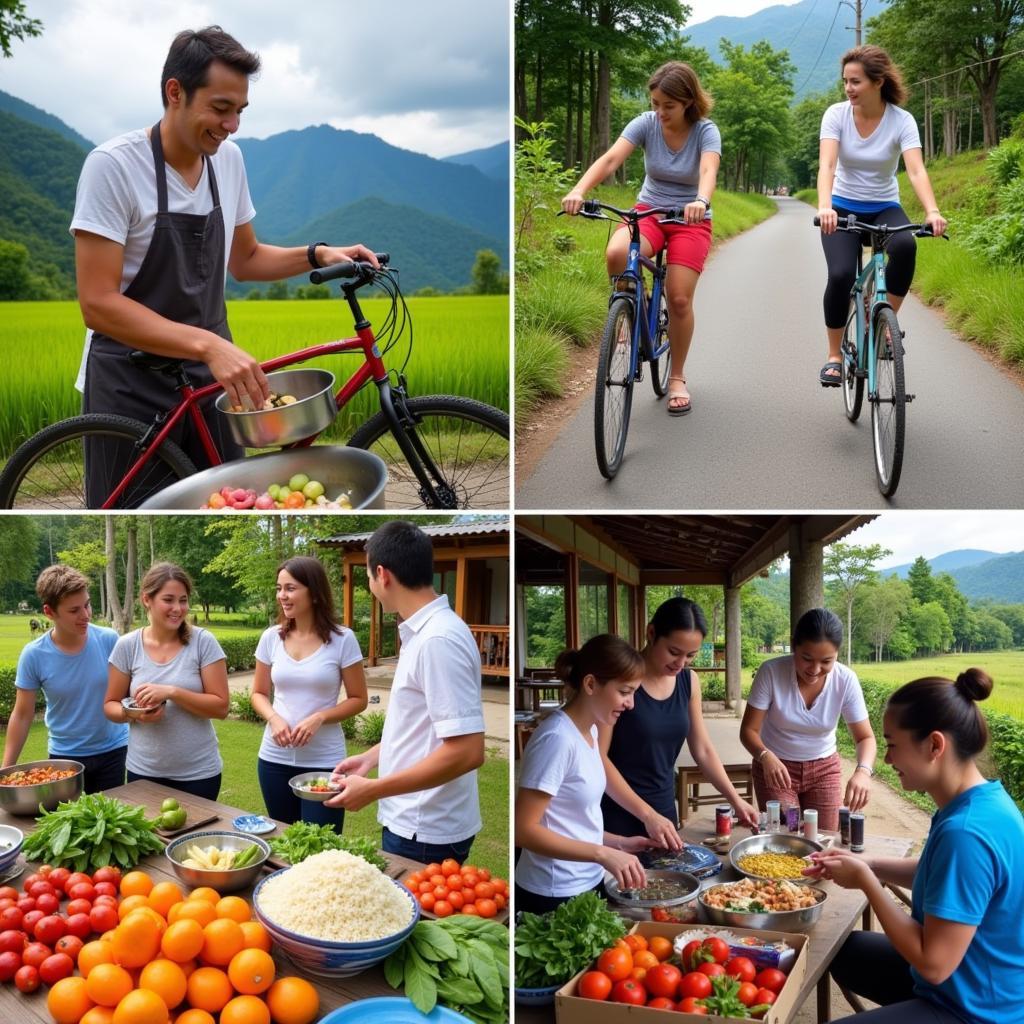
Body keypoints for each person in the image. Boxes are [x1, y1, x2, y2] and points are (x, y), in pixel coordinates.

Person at [70, 25, 378, 504]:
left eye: (239, 110)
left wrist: (318, 254)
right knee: (133, 510)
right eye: (220, 108)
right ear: (175, 92)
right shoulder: (113, 167)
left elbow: (247, 258)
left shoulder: (227, 161)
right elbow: (98, 303)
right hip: (129, 381)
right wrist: (210, 345)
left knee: (222, 505)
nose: (232, 124)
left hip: (211, 379)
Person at [806, 668, 1024, 1024]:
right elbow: (936, 874)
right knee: (844, 951)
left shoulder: (965, 833)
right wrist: (868, 863)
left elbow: (934, 964)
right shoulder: (979, 802)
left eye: (892, 745)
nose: (888, 761)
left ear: (935, 745)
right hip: (965, 978)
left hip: (975, 1009)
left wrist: (866, 881)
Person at [561, 61, 721, 416]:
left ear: (688, 102)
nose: (660, 112)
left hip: (689, 219)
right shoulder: (645, 124)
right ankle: (632, 305)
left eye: (669, 105)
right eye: (655, 103)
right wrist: (579, 189)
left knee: (678, 298)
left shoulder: (705, 131)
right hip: (649, 211)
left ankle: (677, 376)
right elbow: (611, 160)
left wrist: (701, 200)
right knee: (617, 254)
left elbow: (708, 169)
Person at [324, 521, 485, 865]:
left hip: (424, 828)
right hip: (415, 821)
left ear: (382, 574)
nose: (370, 586)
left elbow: (468, 751)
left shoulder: (437, 640)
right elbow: (424, 728)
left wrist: (374, 789)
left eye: (368, 577)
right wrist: (370, 758)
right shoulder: (424, 631)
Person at [816, 45, 948, 387]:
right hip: (841, 206)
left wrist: (932, 211)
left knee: (905, 247)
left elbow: (916, 170)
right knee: (842, 274)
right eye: (845, 81)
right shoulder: (836, 115)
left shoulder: (901, 120)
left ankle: (882, 322)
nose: (848, 88)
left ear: (878, 81)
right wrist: (825, 205)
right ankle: (833, 356)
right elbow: (828, 165)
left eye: (856, 81)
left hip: (884, 206)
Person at [600, 597, 759, 847]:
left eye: (690, 655)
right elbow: (599, 758)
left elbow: (703, 749)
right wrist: (646, 814)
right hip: (617, 810)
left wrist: (735, 799)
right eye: (674, 652)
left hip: (663, 811)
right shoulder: (620, 682)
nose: (681, 663)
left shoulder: (689, 681)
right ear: (651, 633)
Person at [515, 634, 655, 915]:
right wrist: (603, 854)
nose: (631, 704)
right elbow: (523, 830)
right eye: (624, 692)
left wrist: (617, 843)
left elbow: (567, 822)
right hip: (552, 894)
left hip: (586, 882)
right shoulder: (556, 739)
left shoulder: (590, 731)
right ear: (590, 684)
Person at [251, 556, 368, 831]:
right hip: (273, 759)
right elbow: (258, 692)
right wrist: (273, 718)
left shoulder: (343, 639)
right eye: (279, 588)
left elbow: (359, 699)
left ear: (314, 593)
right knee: (283, 841)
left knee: (321, 847)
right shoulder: (271, 637)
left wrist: (319, 718)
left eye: (290, 588)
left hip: (324, 763)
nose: (282, 596)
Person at [740, 608, 876, 831]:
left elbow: (865, 737)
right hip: (777, 769)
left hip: (824, 770)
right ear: (794, 646)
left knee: (824, 837)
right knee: (787, 833)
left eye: (826, 661)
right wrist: (765, 756)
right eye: (806, 659)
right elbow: (748, 731)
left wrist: (863, 772)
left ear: (837, 655)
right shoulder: (771, 672)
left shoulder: (846, 680)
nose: (814, 670)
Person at [104, 562, 229, 799]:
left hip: (199, 774)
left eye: (183, 600)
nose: (178, 608)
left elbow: (221, 707)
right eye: (169, 600)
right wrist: (134, 714)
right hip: (144, 771)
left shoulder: (203, 642)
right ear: (146, 599)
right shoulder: (128, 646)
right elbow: (110, 705)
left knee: (195, 836)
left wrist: (172, 692)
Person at [4, 566, 128, 792]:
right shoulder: (34, 655)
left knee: (111, 825)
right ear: (49, 612)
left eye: (87, 605)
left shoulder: (109, 640)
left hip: (113, 751)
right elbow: (22, 715)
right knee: (67, 825)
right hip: (65, 758)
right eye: (74, 611)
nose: (86, 615)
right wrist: (5, 772)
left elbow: (127, 695)